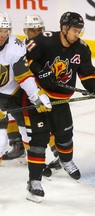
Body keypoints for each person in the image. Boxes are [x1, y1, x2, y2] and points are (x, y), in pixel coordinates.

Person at [24, 11, 95, 200]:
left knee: (65, 135)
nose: (77, 34)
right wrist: (41, 72)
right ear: (64, 28)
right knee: (39, 140)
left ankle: (65, 161)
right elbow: (26, 60)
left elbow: (87, 75)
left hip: (60, 99)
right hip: (39, 98)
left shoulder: (81, 48)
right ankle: (34, 181)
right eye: (75, 30)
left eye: (80, 31)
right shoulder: (45, 40)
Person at [2, 14, 61, 175]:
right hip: (21, 90)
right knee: (15, 118)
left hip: (38, 90)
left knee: (42, 122)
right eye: (31, 30)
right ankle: (18, 145)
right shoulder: (24, 46)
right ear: (25, 31)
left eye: (38, 30)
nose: (35, 33)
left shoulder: (47, 47)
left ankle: (59, 152)